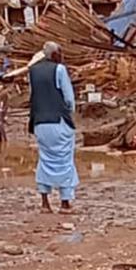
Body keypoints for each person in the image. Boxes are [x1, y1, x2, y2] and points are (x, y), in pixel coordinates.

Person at [28, 41, 79, 212]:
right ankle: (65, 202)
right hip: (58, 120)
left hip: (39, 123)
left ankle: (45, 202)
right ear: (55, 55)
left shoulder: (32, 71)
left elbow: (33, 95)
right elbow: (69, 98)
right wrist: (69, 112)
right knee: (64, 160)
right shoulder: (59, 70)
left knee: (45, 159)